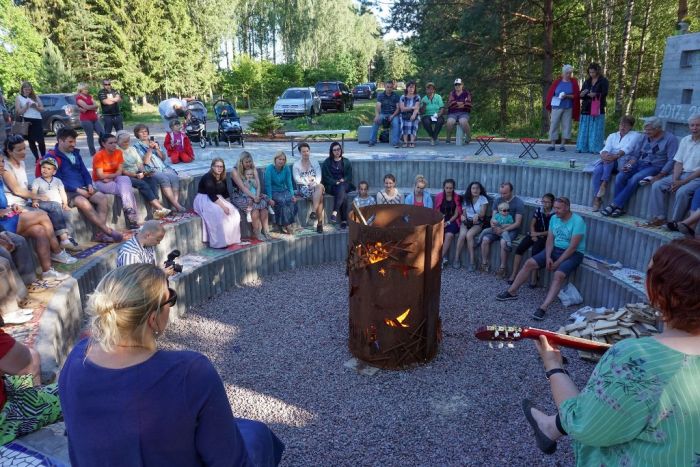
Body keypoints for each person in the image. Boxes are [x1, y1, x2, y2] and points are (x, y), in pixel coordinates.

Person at [58, 264, 285, 466]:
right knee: (258, 436)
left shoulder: (78, 357)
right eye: (171, 299)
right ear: (152, 318)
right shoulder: (190, 371)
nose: (172, 305)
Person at [523, 239, 700, 465]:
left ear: (659, 292)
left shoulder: (636, 357)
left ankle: (549, 426)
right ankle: (549, 426)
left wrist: (553, 364)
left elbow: (585, 425)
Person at [497, 197, 586, 320]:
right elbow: (550, 239)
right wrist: (549, 257)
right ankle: (511, 291)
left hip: (574, 253)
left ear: (567, 207)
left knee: (558, 275)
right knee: (529, 263)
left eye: (558, 208)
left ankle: (543, 307)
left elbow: (572, 247)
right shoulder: (554, 218)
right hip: (555, 249)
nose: (555, 211)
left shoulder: (578, 221)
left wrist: (558, 262)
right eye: (554, 208)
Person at [1, 158, 77, 276]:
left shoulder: (1, 178)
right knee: (42, 215)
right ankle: (57, 250)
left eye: (2, 161)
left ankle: (47, 271)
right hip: (3, 224)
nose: (2, 165)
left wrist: (12, 206)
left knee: (39, 230)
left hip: (9, 216)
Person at [3, 135, 80, 251]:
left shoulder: (21, 163)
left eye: (24, 148)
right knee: (49, 210)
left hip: (26, 202)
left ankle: (65, 240)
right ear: (9, 151)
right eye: (19, 150)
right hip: (15, 206)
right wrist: (38, 196)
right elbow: (17, 190)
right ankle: (62, 244)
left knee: (56, 205)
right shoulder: (6, 167)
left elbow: (24, 186)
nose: (23, 152)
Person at [46, 128, 123, 243]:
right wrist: (77, 190)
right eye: (70, 142)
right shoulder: (51, 157)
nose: (74, 144)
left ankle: (100, 234)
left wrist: (89, 184)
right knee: (84, 202)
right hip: (67, 190)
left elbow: (85, 172)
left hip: (83, 187)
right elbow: (58, 180)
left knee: (102, 198)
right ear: (61, 141)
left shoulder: (75, 153)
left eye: (74, 141)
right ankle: (107, 231)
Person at [601, 117, 679, 218]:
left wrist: (661, 175)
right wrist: (629, 165)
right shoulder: (644, 137)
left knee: (635, 178)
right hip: (639, 163)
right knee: (620, 176)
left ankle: (615, 205)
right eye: (645, 130)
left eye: (649, 130)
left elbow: (671, 159)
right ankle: (619, 207)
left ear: (658, 128)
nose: (646, 132)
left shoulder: (670, 139)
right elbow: (636, 155)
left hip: (655, 166)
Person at [0, 327, 62, 445]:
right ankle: (37, 408)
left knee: (33, 356)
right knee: (72, 390)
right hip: (5, 419)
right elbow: (25, 362)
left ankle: (37, 400)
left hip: (7, 388)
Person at [644, 114, 700, 227]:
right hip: (681, 173)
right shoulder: (685, 140)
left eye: (698, 125)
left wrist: (682, 183)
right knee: (657, 185)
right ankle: (659, 217)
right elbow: (678, 162)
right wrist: (675, 180)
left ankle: (675, 222)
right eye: (692, 125)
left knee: (682, 191)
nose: (694, 128)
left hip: (696, 177)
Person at [115, 131, 171, 221]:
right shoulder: (117, 152)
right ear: (118, 141)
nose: (127, 143)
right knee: (143, 184)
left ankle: (155, 210)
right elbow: (122, 170)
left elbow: (139, 163)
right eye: (124, 141)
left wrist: (144, 172)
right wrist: (135, 175)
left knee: (152, 179)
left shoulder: (132, 149)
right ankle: (160, 208)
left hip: (137, 172)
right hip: (126, 175)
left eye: (128, 141)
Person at [31, 157, 83, 251]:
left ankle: (69, 238)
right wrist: (34, 201)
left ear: (54, 172)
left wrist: (65, 204)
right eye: (43, 167)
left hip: (58, 206)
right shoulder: (37, 181)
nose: (45, 170)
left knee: (67, 215)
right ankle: (65, 240)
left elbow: (62, 193)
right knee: (56, 214)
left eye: (49, 168)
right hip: (45, 205)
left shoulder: (57, 181)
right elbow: (34, 192)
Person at [131, 124, 185, 212]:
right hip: (150, 169)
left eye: (145, 131)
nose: (144, 133)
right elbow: (145, 162)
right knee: (164, 179)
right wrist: (150, 149)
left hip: (162, 167)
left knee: (174, 177)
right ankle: (177, 205)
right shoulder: (136, 147)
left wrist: (157, 149)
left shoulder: (154, 142)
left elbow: (163, 158)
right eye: (141, 132)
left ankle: (174, 205)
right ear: (137, 134)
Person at [590, 115, 639, 211]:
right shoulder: (612, 136)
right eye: (621, 124)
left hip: (623, 161)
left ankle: (604, 183)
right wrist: (604, 155)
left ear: (631, 126)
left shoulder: (635, 135)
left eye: (626, 125)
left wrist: (615, 156)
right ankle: (598, 198)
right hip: (609, 161)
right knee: (597, 170)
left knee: (608, 162)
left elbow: (628, 148)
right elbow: (606, 148)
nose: (622, 127)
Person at [507, 193, 555, 287]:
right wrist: (533, 234)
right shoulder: (538, 210)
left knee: (535, 251)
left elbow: (552, 231)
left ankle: (533, 278)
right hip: (534, 233)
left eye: (547, 202)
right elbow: (532, 224)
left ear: (552, 203)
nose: (544, 204)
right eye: (543, 201)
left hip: (546, 237)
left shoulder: (554, 214)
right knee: (520, 248)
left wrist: (538, 234)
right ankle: (514, 274)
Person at [479, 182, 524, 277]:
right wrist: (493, 225)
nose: (502, 195)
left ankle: (502, 268)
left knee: (503, 242)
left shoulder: (518, 202)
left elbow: (517, 223)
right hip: (497, 227)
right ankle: (484, 264)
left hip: (511, 229)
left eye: (505, 193)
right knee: (485, 239)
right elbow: (493, 217)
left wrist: (503, 229)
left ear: (511, 191)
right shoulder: (498, 200)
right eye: (501, 193)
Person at [193, 158, 241, 248]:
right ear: (212, 167)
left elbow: (225, 193)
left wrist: (229, 205)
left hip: (218, 198)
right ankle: (219, 243)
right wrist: (224, 207)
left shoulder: (222, 177)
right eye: (217, 166)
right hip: (204, 198)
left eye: (221, 167)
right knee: (217, 213)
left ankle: (230, 240)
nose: (219, 168)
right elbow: (211, 195)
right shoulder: (208, 177)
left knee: (234, 212)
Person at [231, 151, 271, 241]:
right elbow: (242, 188)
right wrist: (254, 197)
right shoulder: (235, 171)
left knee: (264, 207)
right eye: (246, 162)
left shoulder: (253, 168)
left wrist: (257, 196)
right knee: (255, 209)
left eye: (250, 162)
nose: (249, 164)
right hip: (240, 195)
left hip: (253, 192)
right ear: (241, 162)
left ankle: (266, 230)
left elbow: (258, 184)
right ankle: (257, 232)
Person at [453, 181, 489, 270]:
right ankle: (456, 259)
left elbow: (483, 213)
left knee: (469, 235)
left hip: (477, 222)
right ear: (470, 189)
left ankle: (472, 261)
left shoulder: (483, 199)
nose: (475, 190)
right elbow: (464, 213)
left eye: (477, 188)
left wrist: (478, 215)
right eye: (473, 188)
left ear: (480, 190)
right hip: (467, 221)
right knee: (462, 235)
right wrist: (462, 217)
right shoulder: (466, 199)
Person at [545, 65, 580, 152]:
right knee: (554, 125)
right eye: (567, 73)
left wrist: (567, 96)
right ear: (563, 73)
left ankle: (562, 145)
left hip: (568, 107)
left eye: (570, 73)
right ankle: (552, 145)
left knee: (566, 126)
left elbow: (576, 95)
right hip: (556, 106)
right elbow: (551, 94)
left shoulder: (574, 82)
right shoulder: (557, 82)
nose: (569, 75)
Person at [576, 63, 609, 154]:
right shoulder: (587, 81)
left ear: (597, 71)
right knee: (584, 128)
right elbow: (582, 93)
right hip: (586, 107)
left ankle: (595, 148)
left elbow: (605, 93)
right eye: (590, 72)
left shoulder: (603, 81)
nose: (591, 74)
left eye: (593, 72)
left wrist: (596, 94)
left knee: (595, 128)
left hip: (597, 107)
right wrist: (582, 94)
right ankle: (582, 147)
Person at [321, 142, 354, 229]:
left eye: (338, 149)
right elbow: (325, 177)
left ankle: (334, 212)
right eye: (334, 150)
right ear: (331, 151)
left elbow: (349, 176)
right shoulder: (327, 162)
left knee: (342, 187)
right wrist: (335, 182)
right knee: (344, 195)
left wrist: (344, 179)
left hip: (345, 184)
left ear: (341, 150)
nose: (337, 151)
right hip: (332, 186)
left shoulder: (346, 161)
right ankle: (344, 220)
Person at [293, 143, 324, 233]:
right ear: (300, 153)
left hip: (315, 186)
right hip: (303, 188)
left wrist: (315, 183)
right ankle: (319, 223)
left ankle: (314, 212)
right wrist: (307, 182)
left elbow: (318, 175)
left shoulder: (314, 162)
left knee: (320, 186)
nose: (306, 153)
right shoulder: (296, 164)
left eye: (307, 151)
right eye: (303, 152)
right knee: (320, 197)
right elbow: (297, 179)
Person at [265, 151, 298, 235]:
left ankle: (288, 223)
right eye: (279, 159)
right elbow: (267, 185)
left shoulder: (286, 168)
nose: (281, 161)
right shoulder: (269, 168)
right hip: (273, 191)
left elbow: (289, 182)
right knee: (282, 201)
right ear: (275, 159)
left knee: (290, 200)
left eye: (283, 159)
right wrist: (270, 198)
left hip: (284, 189)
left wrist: (293, 195)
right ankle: (288, 225)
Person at [14, 81, 46, 161]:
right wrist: (26, 106)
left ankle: (44, 157)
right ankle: (37, 158)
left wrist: (36, 107)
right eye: (26, 89)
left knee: (41, 140)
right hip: (27, 120)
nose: (28, 91)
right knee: (31, 141)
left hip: (37, 119)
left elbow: (42, 109)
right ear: (22, 89)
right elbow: (19, 112)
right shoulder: (19, 98)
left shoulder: (35, 96)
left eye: (29, 89)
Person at [435, 179, 462, 267]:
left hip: (452, 220)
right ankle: (440, 257)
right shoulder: (439, 196)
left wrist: (448, 222)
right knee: (436, 233)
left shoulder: (457, 197)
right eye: (447, 188)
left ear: (453, 188)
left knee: (449, 235)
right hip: (440, 219)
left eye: (450, 188)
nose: (448, 190)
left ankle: (439, 259)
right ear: (444, 187)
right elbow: (436, 211)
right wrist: (441, 221)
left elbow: (456, 214)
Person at [368, 80, 401, 148]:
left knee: (396, 123)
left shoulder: (396, 96)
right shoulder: (380, 95)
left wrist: (392, 116)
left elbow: (398, 108)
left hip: (393, 114)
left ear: (392, 88)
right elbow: (377, 106)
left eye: (391, 87)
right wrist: (377, 116)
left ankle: (395, 143)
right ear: (385, 87)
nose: (389, 89)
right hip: (383, 114)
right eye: (387, 87)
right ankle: (372, 141)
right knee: (376, 122)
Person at [75, 82, 104, 156]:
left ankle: (103, 148)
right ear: (81, 90)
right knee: (90, 136)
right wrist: (91, 107)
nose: (87, 90)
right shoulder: (78, 98)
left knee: (102, 134)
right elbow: (87, 107)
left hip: (94, 118)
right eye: (85, 89)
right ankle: (93, 153)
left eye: (87, 89)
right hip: (85, 120)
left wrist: (89, 107)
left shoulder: (89, 96)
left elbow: (96, 105)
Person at [444, 78, 472, 145]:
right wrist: (462, 103)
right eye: (456, 85)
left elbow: (468, 104)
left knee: (463, 121)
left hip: (464, 113)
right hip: (453, 113)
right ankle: (448, 137)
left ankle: (468, 137)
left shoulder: (467, 93)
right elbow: (451, 104)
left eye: (459, 84)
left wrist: (457, 104)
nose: (457, 86)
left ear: (462, 85)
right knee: (449, 122)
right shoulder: (452, 93)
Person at [399, 81, 421, 148]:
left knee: (414, 121)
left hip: (414, 114)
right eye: (410, 87)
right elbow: (402, 109)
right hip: (404, 114)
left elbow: (417, 108)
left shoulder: (417, 97)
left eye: (413, 87)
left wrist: (414, 114)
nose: (411, 89)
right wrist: (412, 108)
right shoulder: (403, 97)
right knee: (404, 122)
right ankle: (405, 142)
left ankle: (412, 141)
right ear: (407, 88)